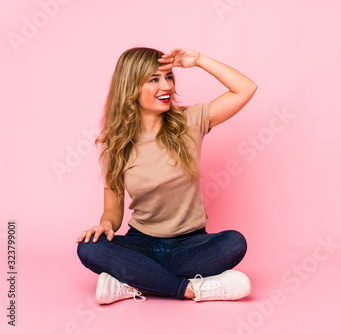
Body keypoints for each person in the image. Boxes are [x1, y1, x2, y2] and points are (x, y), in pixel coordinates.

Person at [76, 47, 257, 304]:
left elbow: (245, 89)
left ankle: (134, 282)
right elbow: (113, 211)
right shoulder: (115, 146)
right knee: (88, 247)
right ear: (131, 88)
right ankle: (192, 289)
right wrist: (105, 226)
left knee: (234, 242)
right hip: (142, 244)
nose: (167, 86)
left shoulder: (190, 121)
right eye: (154, 79)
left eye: (169, 77)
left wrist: (200, 61)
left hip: (191, 243)